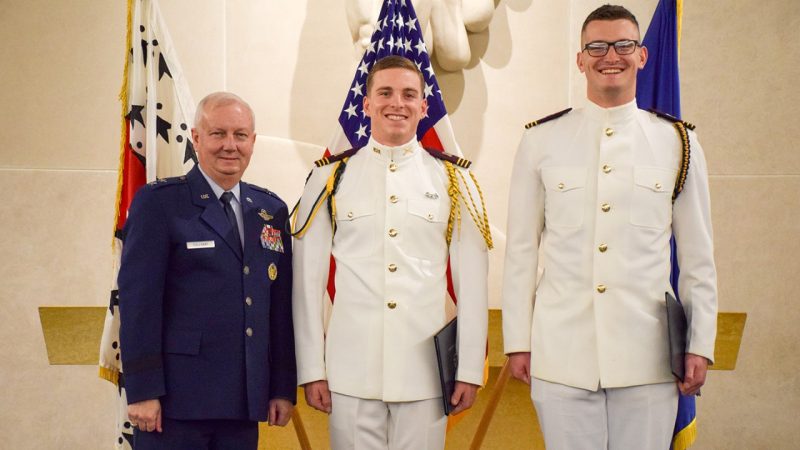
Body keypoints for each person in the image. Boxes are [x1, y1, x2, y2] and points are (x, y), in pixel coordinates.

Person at [501, 5, 718, 449]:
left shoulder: (678, 143)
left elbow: (697, 257)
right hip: (562, 357)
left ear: (642, 56)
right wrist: (517, 342)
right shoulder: (541, 141)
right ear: (580, 59)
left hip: (647, 359)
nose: (610, 56)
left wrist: (700, 342)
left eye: (623, 45)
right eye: (596, 47)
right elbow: (521, 252)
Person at [292, 55, 492, 450]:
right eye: (384, 93)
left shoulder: (455, 179)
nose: (396, 103)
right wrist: (312, 368)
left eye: (408, 94)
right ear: (366, 104)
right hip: (350, 373)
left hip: (424, 376)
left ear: (424, 106)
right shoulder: (330, 177)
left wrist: (469, 369)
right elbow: (307, 282)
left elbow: (472, 285)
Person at [118, 92, 297, 449]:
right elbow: (139, 304)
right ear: (196, 138)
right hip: (175, 403)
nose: (230, 145)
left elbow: (278, 308)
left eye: (240, 135)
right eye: (218, 134)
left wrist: (281, 387)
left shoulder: (270, 210)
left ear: (253, 141)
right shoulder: (161, 204)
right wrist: (142, 390)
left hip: (243, 402)